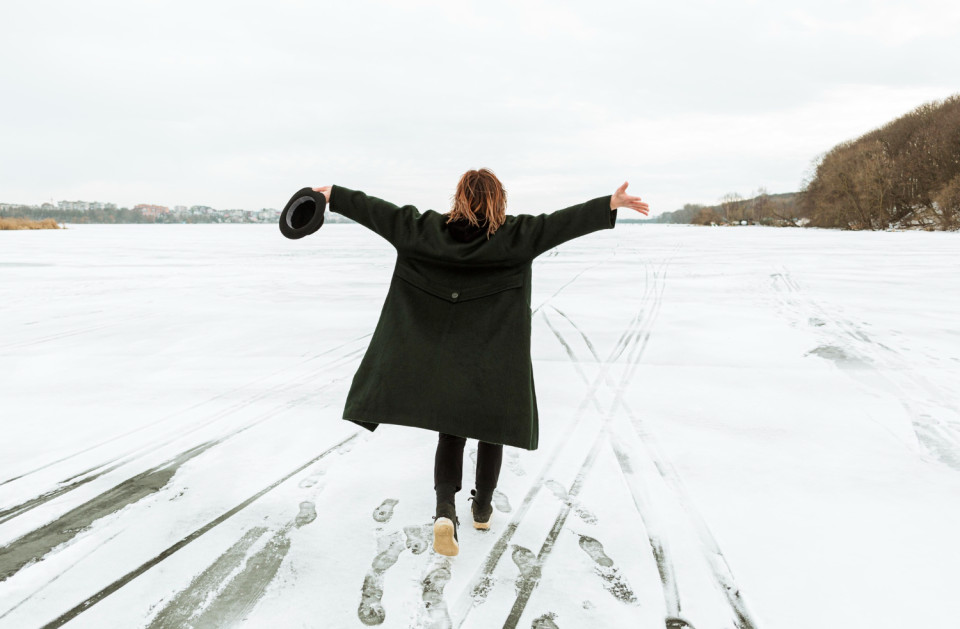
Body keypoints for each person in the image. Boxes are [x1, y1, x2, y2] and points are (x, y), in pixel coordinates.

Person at [311, 170, 649, 556]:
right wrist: (608, 204)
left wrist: (334, 194)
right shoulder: (517, 236)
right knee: (491, 432)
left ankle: (444, 509)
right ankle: (483, 508)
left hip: (443, 361)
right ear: (498, 199)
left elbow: (379, 212)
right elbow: (560, 223)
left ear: (459, 197)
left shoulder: (422, 230)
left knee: (450, 433)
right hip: (494, 361)